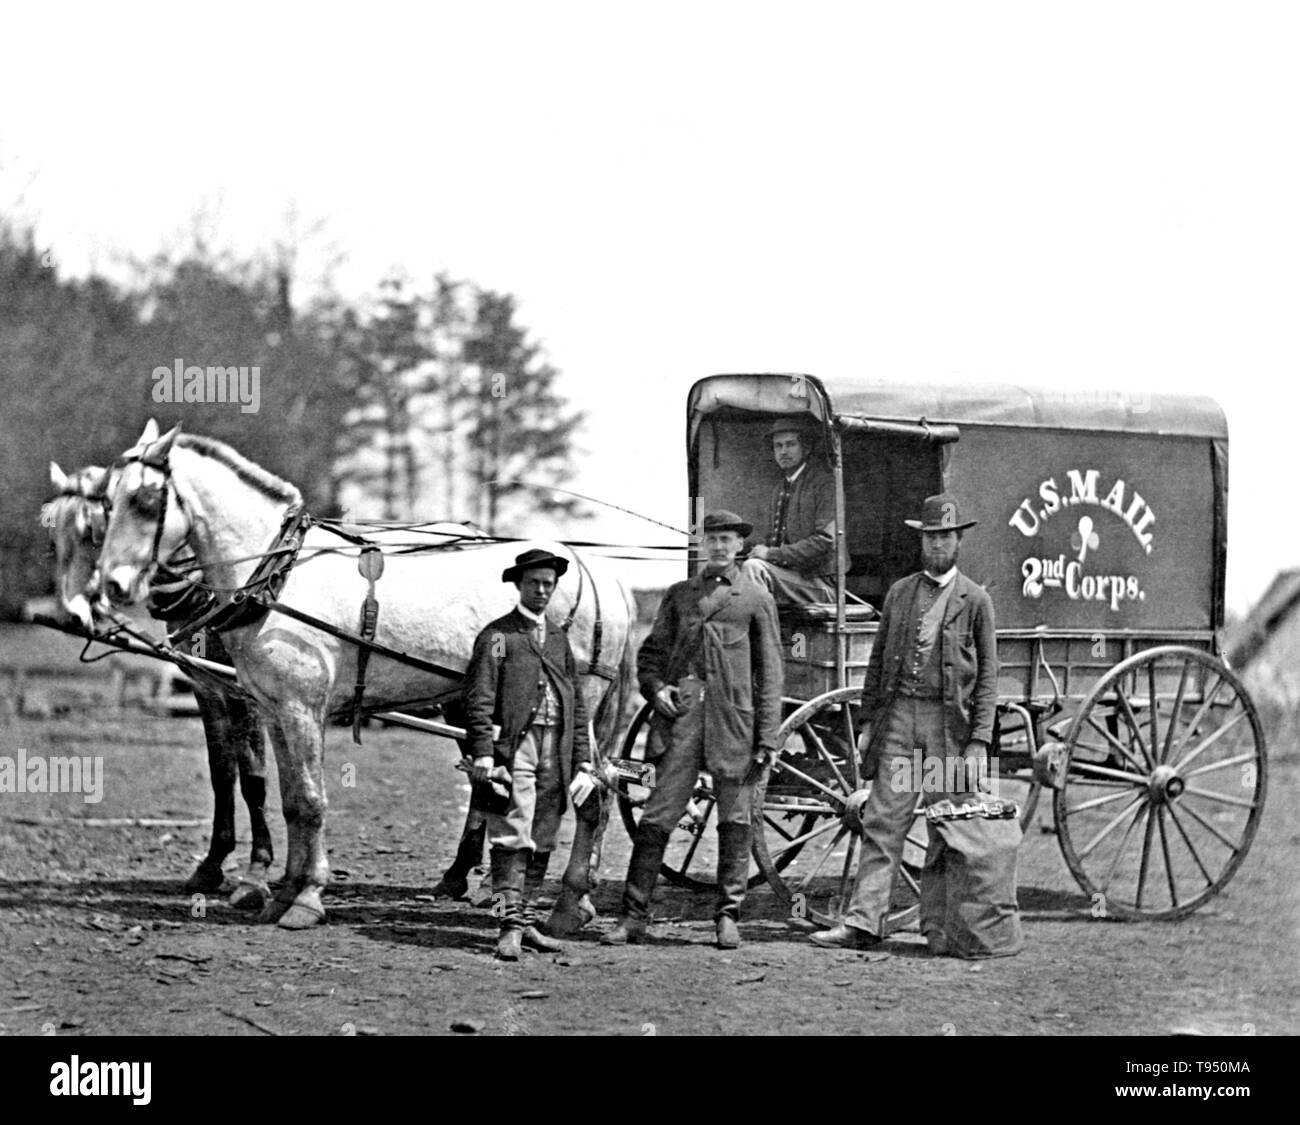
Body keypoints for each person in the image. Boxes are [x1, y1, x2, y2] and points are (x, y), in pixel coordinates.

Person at [809, 494, 1022, 957]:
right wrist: (869, 721)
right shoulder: (901, 593)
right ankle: (863, 924)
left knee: (948, 829)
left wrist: (980, 740)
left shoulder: (976, 600)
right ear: (920, 540)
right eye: (930, 537)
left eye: (945, 536)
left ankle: (939, 930)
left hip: (949, 728)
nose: (937, 545)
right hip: (901, 718)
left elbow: (988, 677)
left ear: (958, 540)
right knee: (884, 821)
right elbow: (878, 661)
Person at [602, 511, 783, 950]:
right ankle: (633, 916)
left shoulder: (756, 598)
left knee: (736, 819)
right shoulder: (680, 595)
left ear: (739, 546)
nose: (719, 546)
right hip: (682, 720)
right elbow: (650, 657)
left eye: (727, 539)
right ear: (702, 544)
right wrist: (656, 689)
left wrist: (767, 738)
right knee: (659, 815)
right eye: (712, 539)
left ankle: (727, 916)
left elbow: (772, 672)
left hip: (734, 724)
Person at [463, 548, 599, 960]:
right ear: (519, 586)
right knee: (510, 832)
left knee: (543, 835)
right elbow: (481, 696)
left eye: (548, 584)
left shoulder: (558, 639)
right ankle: (508, 928)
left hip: (555, 748)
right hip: (515, 747)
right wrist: (484, 751)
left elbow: (575, 705)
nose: (541, 591)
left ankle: (529, 923)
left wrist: (582, 761)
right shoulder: (500, 637)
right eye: (534, 583)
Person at [742, 418, 847, 606]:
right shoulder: (780, 488)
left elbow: (826, 540)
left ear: (806, 448)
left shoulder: (824, 483)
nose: (783, 451)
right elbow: (772, 540)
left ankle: (766, 635)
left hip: (821, 583)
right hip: (790, 578)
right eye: (778, 446)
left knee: (754, 568)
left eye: (791, 444)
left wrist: (770, 554)